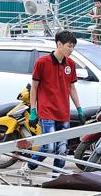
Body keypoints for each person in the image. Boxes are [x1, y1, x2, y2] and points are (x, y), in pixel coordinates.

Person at [27, 31, 83, 177]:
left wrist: (79, 109)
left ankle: (56, 176)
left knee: (62, 149)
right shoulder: (42, 62)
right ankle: (29, 166)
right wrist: (33, 111)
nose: (71, 50)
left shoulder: (70, 64)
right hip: (47, 111)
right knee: (49, 146)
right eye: (69, 46)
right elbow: (34, 87)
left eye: (73, 47)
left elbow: (72, 88)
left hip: (63, 112)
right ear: (59, 44)